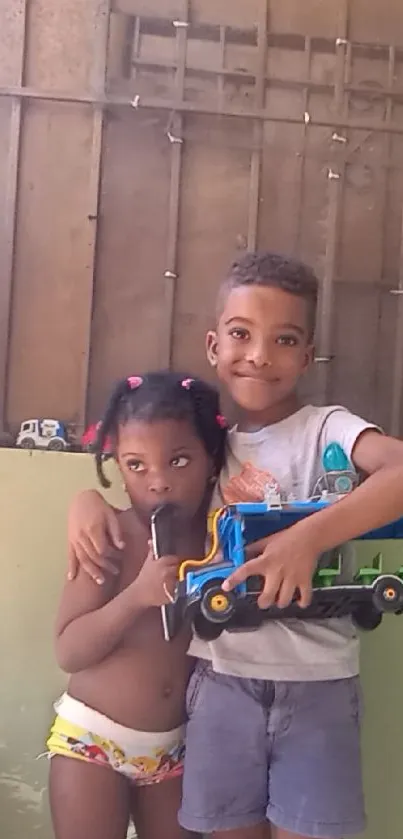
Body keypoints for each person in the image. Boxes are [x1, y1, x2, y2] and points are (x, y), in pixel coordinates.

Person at [66, 252, 403, 839]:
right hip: (221, 685)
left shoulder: (328, 428)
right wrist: (86, 499)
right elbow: (149, 487)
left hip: (318, 687)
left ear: (307, 352)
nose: (259, 355)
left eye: (285, 339)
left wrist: (306, 539)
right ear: (214, 346)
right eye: (242, 335)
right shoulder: (209, 449)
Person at [47, 371, 227, 839]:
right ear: (117, 467)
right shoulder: (110, 538)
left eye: (179, 460)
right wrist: (136, 598)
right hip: (92, 742)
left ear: (211, 461)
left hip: (174, 751)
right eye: (136, 465)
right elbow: (69, 650)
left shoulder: (219, 543)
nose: (159, 482)